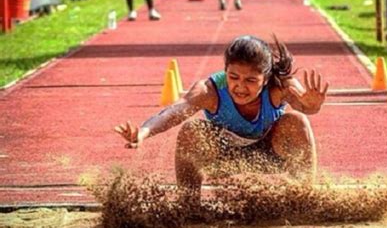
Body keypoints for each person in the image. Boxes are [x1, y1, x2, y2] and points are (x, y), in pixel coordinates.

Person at [115, 35, 328, 199]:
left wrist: (312, 105)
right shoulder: (209, 91)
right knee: (191, 130)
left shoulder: (281, 85)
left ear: (265, 79)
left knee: (297, 121)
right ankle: (188, 204)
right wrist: (144, 131)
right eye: (233, 77)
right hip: (224, 157)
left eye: (251, 80)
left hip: (270, 154)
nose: (240, 87)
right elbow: (173, 112)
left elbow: (305, 107)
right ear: (225, 71)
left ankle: (304, 197)